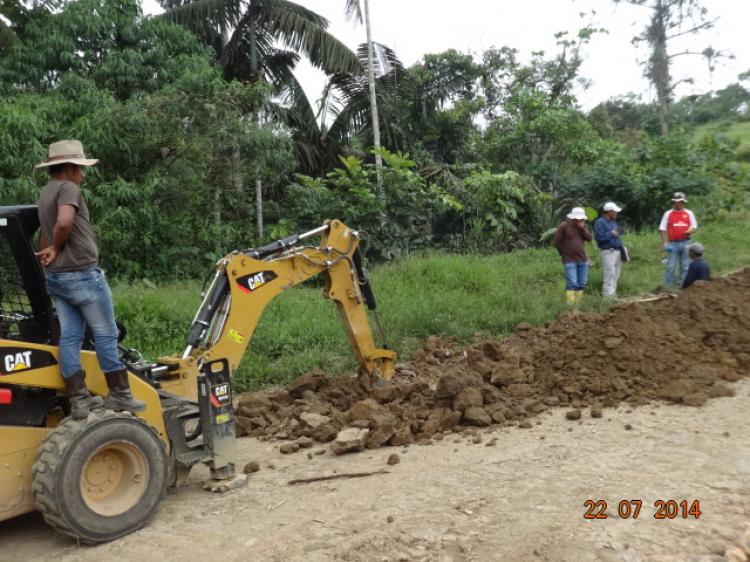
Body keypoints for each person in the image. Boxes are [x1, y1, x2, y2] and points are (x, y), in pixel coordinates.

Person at [35, 140, 144, 419]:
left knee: (70, 336)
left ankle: (79, 400)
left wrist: (49, 253)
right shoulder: (69, 188)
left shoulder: (45, 192)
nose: (83, 175)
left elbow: (45, 232)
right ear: (69, 168)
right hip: (82, 275)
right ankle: (120, 394)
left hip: (57, 278)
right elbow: (64, 222)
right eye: (80, 169)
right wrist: (58, 248)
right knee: (106, 334)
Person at [553, 207, 593, 305]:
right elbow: (557, 242)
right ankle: (570, 306)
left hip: (582, 259)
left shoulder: (583, 227)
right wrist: (563, 253)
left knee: (582, 283)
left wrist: (583, 229)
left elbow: (590, 238)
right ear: (572, 218)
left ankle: (577, 305)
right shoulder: (564, 226)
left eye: (581, 219)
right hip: (569, 259)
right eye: (577, 219)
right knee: (572, 283)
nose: (579, 221)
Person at [659, 192, 697, 290]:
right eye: (676, 202)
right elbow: (662, 229)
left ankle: (683, 286)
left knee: (685, 266)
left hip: (686, 242)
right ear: (673, 202)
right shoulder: (668, 214)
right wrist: (665, 243)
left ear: (683, 202)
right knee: (670, 266)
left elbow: (694, 226)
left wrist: (690, 231)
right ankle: (668, 287)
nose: (678, 204)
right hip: (673, 243)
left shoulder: (689, 213)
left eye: (680, 202)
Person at [593, 201, 623, 299]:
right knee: (609, 274)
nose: (616, 213)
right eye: (615, 212)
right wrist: (611, 233)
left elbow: (617, 234)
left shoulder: (614, 222)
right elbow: (598, 237)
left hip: (617, 250)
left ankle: (612, 294)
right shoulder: (600, 222)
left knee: (616, 274)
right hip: (608, 251)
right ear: (609, 212)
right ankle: (607, 296)